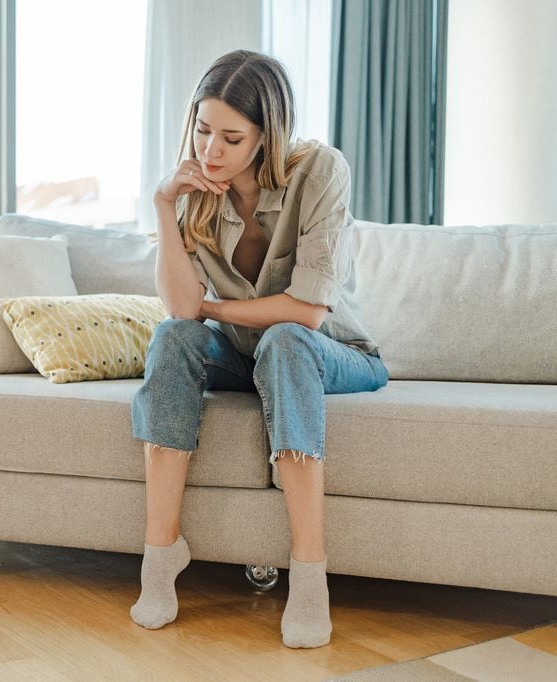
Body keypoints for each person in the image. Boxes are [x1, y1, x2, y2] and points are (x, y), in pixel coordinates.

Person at [129, 50, 389, 649]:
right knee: (172, 338)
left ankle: (309, 573)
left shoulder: (321, 170)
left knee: (286, 339)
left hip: (332, 352)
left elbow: (308, 311)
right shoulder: (195, 188)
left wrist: (215, 310)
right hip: (249, 355)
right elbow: (181, 310)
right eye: (202, 130)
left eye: (231, 138)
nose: (209, 151)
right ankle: (161, 554)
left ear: (267, 135)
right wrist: (164, 204)